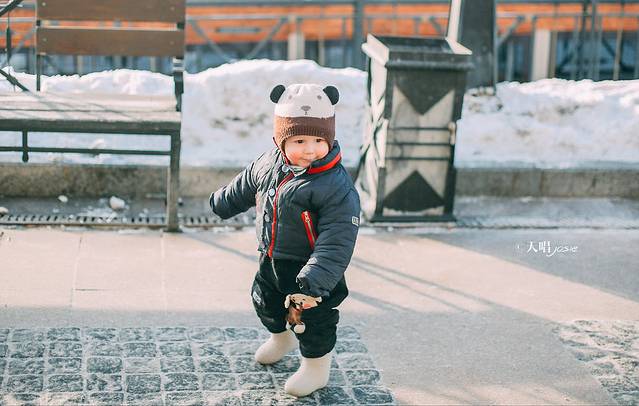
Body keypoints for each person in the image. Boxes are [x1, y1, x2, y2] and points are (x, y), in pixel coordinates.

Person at [209, 83, 360, 397]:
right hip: (272, 258)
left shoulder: (334, 185)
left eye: (318, 140)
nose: (310, 149)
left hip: (312, 271)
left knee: (313, 320)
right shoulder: (270, 163)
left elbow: (338, 238)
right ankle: (281, 338)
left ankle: (316, 367)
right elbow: (246, 183)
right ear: (281, 140)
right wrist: (224, 201)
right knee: (265, 301)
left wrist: (317, 278)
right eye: (299, 141)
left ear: (329, 139)